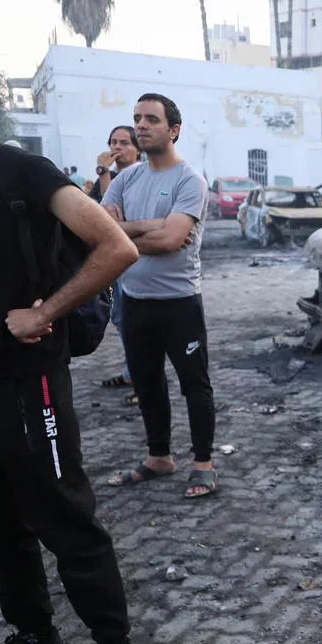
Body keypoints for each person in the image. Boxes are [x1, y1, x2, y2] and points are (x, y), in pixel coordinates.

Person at [0, 33, 144, 644]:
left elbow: (115, 246)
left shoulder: (16, 170)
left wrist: (45, 312)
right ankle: (35, 636)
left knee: (63, 518)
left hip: (25, 382)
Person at [103, 93, 216, 499]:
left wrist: (124, 234)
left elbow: (172, 241)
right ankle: (159, 457)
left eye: (152, 119)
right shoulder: (126, 179)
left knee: (194, 384)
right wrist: (150, 227)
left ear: (174, 129)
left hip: (179, 302)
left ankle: (203, 464)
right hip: (135, 300)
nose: (141, 125)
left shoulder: (189, 180)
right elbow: (102, 230)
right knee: (147, 383)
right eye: (137, 118)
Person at [91, 127, 141, 392]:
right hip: (114, 263)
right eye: (113, 142)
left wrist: (103, 173)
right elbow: (98, 214)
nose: (117, 147)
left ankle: (141, 380)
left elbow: (112, 215)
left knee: (135, 322)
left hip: (136, 261)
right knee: (120, 318)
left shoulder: (140, 176)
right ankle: (132, 372)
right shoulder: (110, 177)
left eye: (124, 142)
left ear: (137, 149)